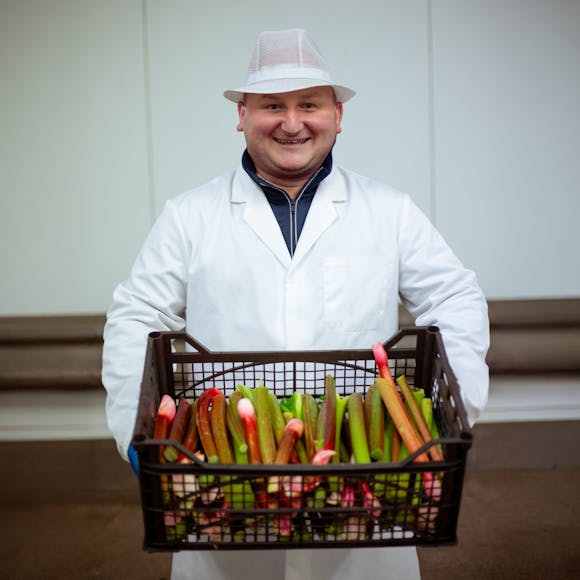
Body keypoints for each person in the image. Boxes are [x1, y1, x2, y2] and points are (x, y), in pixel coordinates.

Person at [102, 28, 489, 580]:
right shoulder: (189, 216)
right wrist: (135, 432)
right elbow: (138, 315)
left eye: (308, 104)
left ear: (336, 113)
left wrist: (454, 414)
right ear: (241, 114)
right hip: (227, 482)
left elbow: (455, 296)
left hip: (363, 483)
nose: (291, 122)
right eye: (271, 106)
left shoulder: (389, 211)